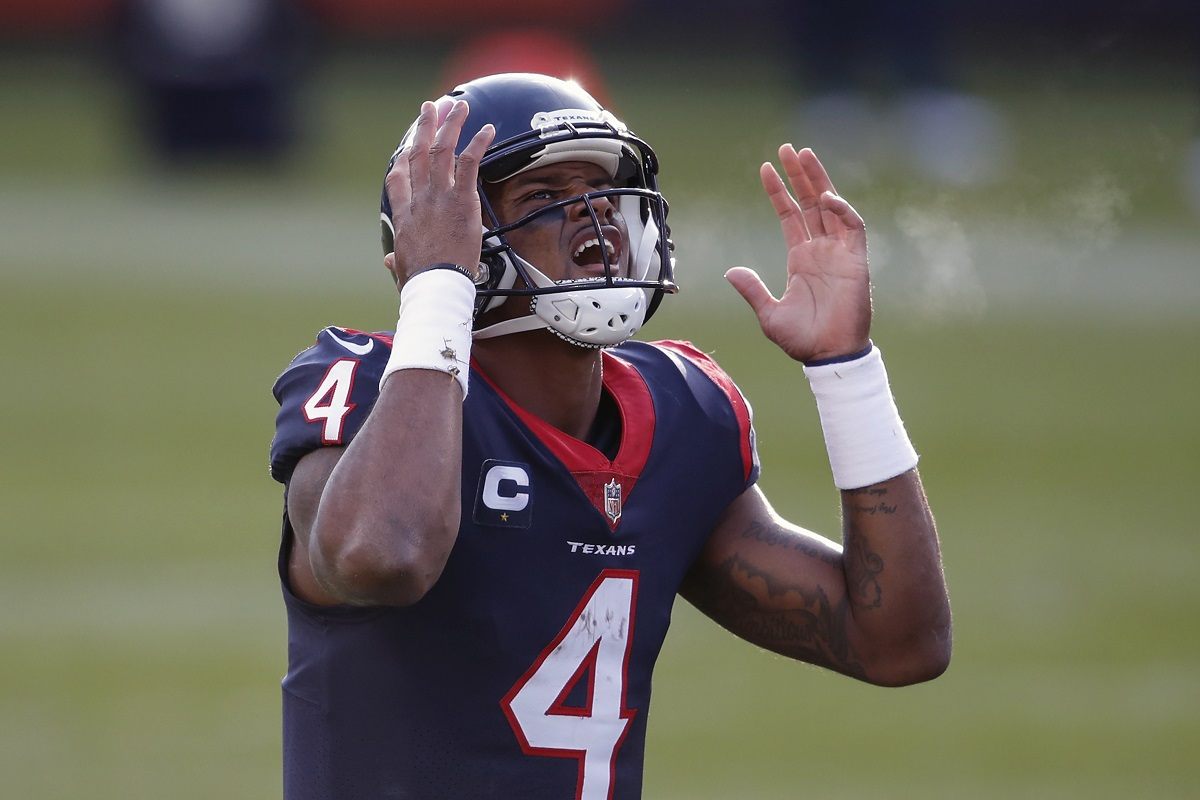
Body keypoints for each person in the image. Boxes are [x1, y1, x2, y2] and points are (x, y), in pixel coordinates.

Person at [269, 72, 951, 799]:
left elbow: (899, 643)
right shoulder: (372, 386)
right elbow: (381, 557)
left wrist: (849, 374)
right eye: (544, 197)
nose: (594, 216)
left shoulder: (681, 414)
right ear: (456, 231)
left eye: (602, 191)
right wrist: (437, 292)